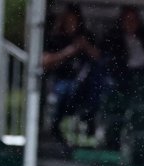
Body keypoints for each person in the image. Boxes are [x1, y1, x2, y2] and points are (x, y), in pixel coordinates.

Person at [42, 3, 105, 148]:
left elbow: (100, 58)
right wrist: (68, 52)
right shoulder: (56, 38)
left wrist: (85, 46)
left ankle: (89, 121)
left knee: (99, 82)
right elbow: (44, 61)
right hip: (61, 81)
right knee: (64, 90)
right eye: (68, 20)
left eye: (74, 20)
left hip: (85, 84)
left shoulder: (86, 36)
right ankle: (57, 128)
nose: (71, 24)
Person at [100, 5, 144, 87]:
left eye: (133, 19)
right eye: (127, 19)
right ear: (121, 22)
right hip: (126, 75)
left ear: (138, 22)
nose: (130, 23)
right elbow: (113, 61)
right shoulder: (114, 39)